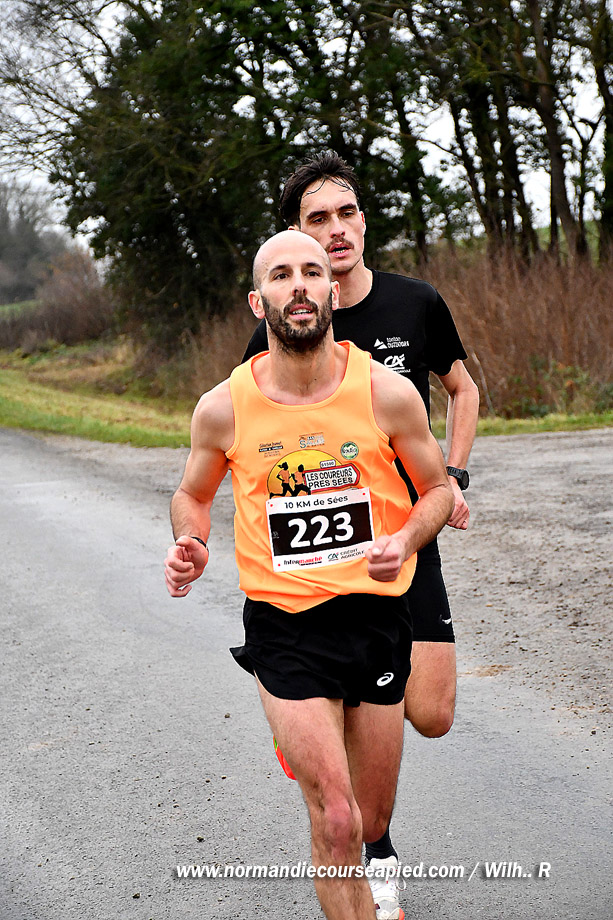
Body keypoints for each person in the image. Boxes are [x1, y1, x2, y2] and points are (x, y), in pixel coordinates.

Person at [165, 230, 454, 920]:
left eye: (311, 272)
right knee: (337, 821)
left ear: (333, 291)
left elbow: (437, 490)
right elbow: (193, 494)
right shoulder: (223, 407)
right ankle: (299, 728)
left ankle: (314, 749)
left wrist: (406, 538)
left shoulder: (387, 394)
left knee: (371, 820)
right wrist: (190, 540)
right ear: (257, 301)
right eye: (280, 274)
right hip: (285, 627)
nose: (298, 284)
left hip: (376, 618)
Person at [243, 152, 480, 914]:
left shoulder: (414, 302)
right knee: (348, 799)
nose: (336, 229)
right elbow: (254, 438)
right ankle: (365, 836)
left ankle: (334, 734)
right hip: (324, 573)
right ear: (295, 234)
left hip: (407, 538)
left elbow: (462, 388)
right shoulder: (286, 322)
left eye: (346, 212)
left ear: (363, 221)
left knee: (432, 714)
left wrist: (452, 476)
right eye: (317, 219)